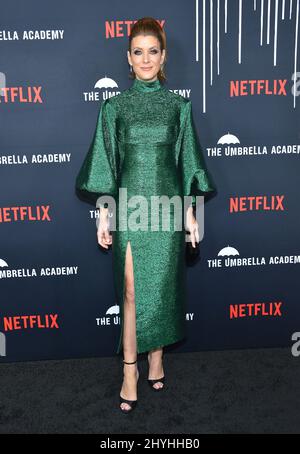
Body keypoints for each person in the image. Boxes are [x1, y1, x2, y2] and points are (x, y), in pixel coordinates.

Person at [75, 17, 216, 413]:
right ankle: (129, 371)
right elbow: (106, 163)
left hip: (167, 207)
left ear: (163, 55)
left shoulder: (179, 106)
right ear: (128, 58)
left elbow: (186, 161)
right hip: (131, 207)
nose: (146, 58)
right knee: (133, 290)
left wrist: (190, 214)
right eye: (138, 51)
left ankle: (156, 358)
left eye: (153, 51)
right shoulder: (114, 107)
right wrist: (104, 214)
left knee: (162, 289)